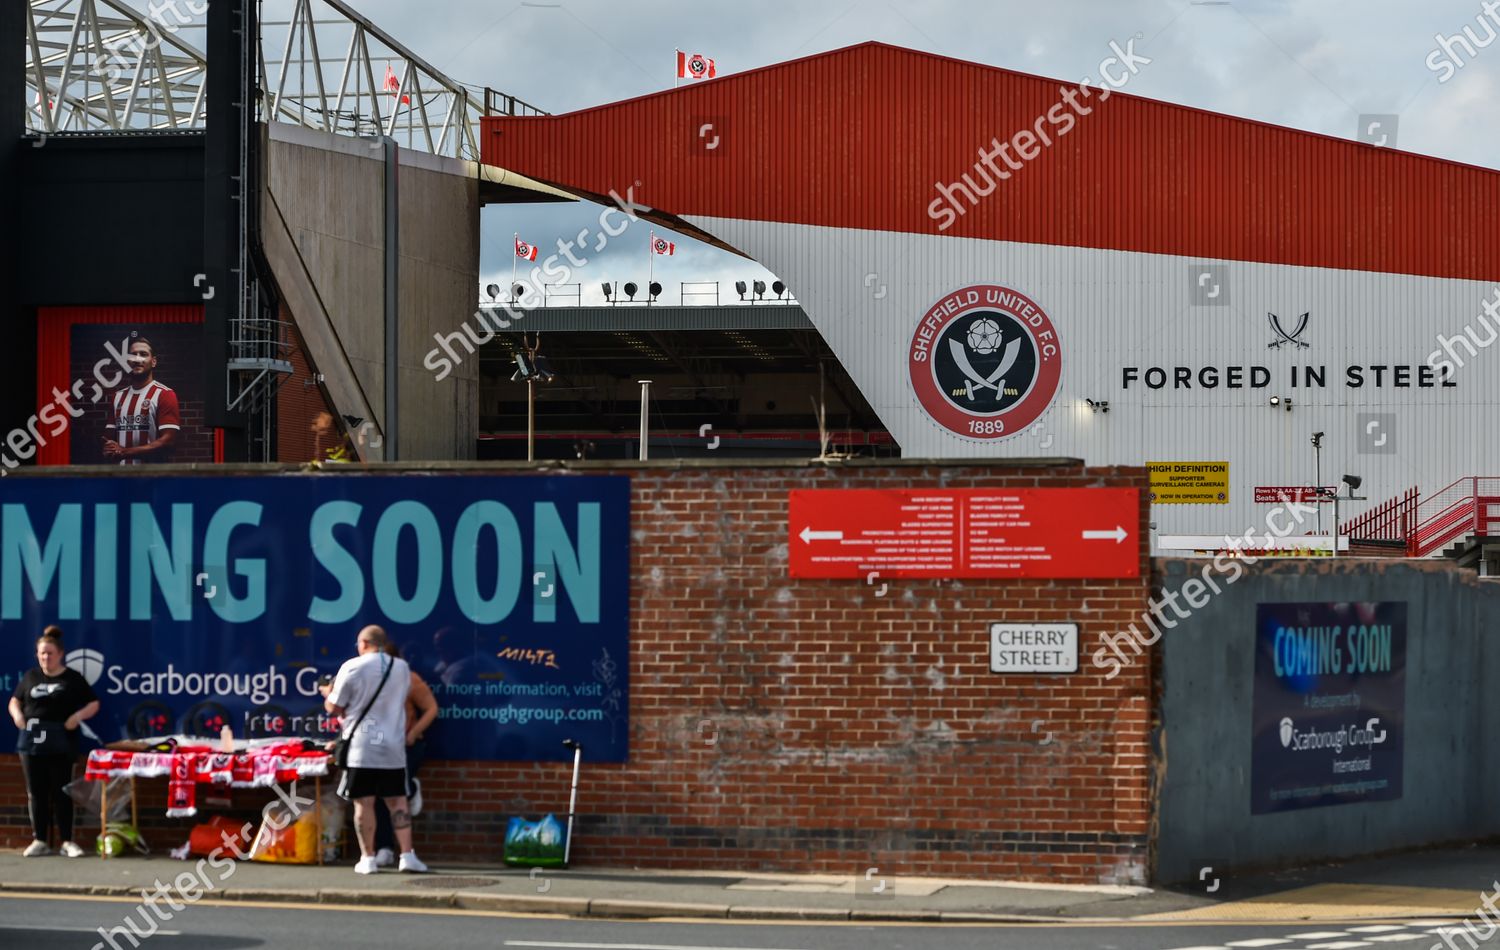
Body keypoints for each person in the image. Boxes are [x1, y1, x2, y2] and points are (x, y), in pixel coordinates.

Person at [321, 625, 428, 874]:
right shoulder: (401, 668)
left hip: (362, 747)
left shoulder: (352, 667)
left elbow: (335, 707)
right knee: (398, 802)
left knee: (364, 803)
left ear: (364, 643)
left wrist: (328, 694)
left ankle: (367, 858)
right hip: (392, 747)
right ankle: (407, 856)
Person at [7, 626, 99, 857]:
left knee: (62, 791)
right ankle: (40, 840)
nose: (46, 658)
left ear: (60, 654)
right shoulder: (30, 677)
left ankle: (67, 841)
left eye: (50, 653)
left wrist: (76, 717)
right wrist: (18, 716)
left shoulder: (72, 678)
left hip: (61, 740)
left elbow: (93, 703)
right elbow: (14, 701)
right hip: (32, 740)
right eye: (42, 654)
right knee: (36, 792)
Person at [372, 642, 439, 868]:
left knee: (395, 794)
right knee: (379, 797)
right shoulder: (368, 680)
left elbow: (431, 708)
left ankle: (410, 786)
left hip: (406, 746)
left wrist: (413, 733)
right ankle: (384, 848)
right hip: (378, 745)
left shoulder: (410, 679)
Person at [103, 336, 181, 464]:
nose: (137, 359)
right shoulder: (118, 396)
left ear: (153, 362)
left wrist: (126, 452)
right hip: (122, 476)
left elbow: (169, 441)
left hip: (153, 477)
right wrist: (107, 447)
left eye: (143, 354)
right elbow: (108, 437)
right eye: (133, 355)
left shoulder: (164, 394)